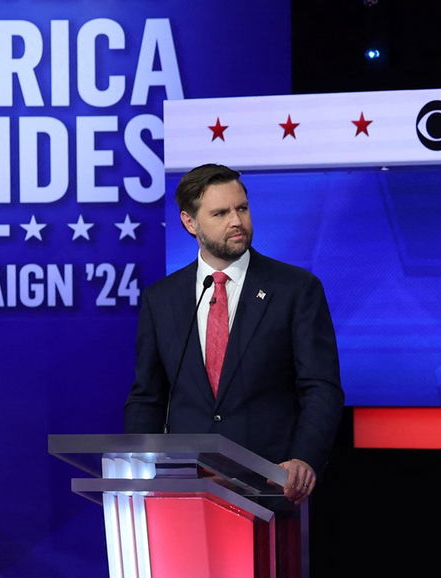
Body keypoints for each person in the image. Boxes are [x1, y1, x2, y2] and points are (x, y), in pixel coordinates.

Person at [124, 163, 344, 503]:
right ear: (189, 222)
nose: (236, 222)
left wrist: (304, 458)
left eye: (241, 208)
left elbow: (321, 387)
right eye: (220, 213)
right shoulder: (162, 299)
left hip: (273, 485)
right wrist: (140, 467)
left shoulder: (296, 289)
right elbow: (147, 398)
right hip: (185, 488)